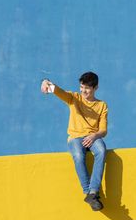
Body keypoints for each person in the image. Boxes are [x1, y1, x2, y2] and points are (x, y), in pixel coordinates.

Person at [41, 72, 108, 211]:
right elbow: (59, 92)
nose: (83, 91)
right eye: (81, 87)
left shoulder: (102, 105)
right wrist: (46, 81)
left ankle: (93, 191)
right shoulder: (74, 98)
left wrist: (94, 136)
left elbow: (103, 130)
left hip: (93, 137)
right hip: (75, 138)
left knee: (101, 150)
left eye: (87, 88)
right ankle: (88, 192)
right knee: (78, 155)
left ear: (96, 88)